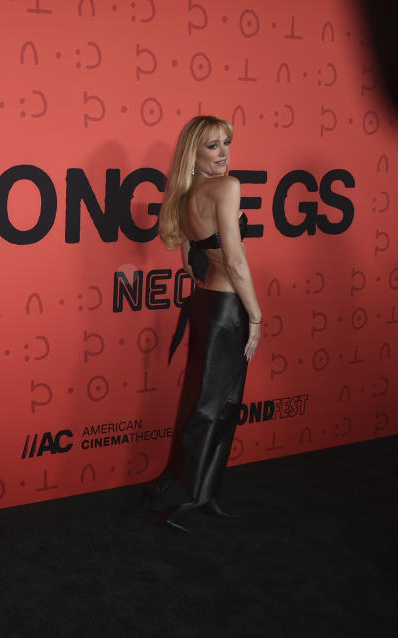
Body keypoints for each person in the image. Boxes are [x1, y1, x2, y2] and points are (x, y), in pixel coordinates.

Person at [144, 115, 262, 533]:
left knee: (219, 406)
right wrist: (255, 314)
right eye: (212, 145)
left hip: (206, 304)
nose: (224, 152)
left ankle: (205, 493)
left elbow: (191, 261)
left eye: (226, 142)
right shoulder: (227, 188)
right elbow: (233, 258)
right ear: (193, 152)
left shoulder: (183, 197)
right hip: (228, 306)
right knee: (212, 409)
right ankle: (176, 500)